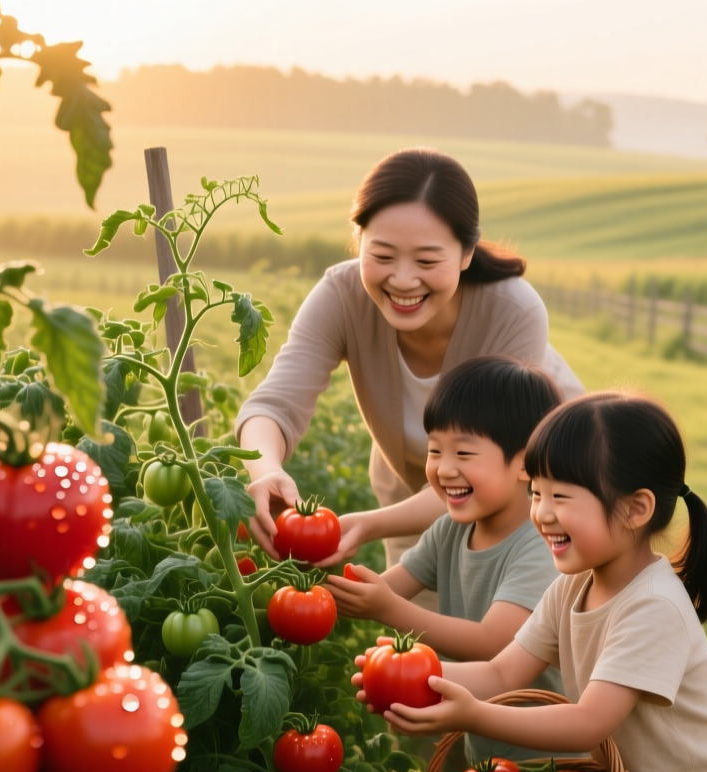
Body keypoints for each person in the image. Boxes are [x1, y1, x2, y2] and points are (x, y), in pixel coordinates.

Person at [359, 394, 707, 772]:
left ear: (636, 509)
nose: (541, 513)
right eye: (536, 491)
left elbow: (588, 719)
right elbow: (503, 672)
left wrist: (472, 715)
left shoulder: (653, 607)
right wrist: (408, 677)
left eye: (562, 496)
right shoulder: (571, 586)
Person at [237, 148, 583, 573]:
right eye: (382, 256)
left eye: (426, 261)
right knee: (412, 635)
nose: (402, 280)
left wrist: (369, 524)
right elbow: (273, 405)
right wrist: (264, 469)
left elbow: (493, 469)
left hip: (532, 508)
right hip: (410, 500)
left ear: (466, 253)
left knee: (508, 635)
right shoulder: (342, 297)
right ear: (358, 242)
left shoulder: (512, 311)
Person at [324, 355, 568, 762]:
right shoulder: (450, 529)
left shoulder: (540, 545)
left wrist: (387, 609)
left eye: (464, 454)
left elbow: (493, 643)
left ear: (525, 464)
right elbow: (387, 587)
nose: (442, 468)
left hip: (550, 755)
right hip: (484, 748)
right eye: (435, 449)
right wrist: (319, 571)